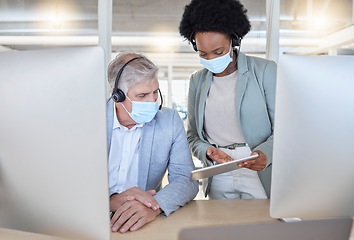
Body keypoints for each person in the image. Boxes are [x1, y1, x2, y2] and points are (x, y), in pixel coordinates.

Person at [179, 0, 276, 199]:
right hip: (218, 170)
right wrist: (208, 152)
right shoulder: (197, 81)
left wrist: (267, 153)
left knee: (261, 227)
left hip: (257, 165)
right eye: (203, 54)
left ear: (234, 41)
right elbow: (193, 136)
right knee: (219, 227)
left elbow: (286, 127)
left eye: (219, 52)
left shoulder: (265, 71)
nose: (212, 59)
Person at [106, 52, 198, 233]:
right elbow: (67, 180)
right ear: (117, 95)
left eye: (155, 92)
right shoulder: (88, 118)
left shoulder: (169, 121)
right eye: (142, 95)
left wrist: (154, 205)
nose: (152, 101)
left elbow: (186, 179)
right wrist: (109, 201)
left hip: (143, 224)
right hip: (92, 220)